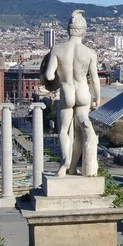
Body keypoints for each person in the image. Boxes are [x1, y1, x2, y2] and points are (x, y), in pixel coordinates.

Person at [42, 10, 100, 177]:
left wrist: (56, 78)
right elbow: (95, 80)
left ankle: (64, 164)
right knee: (80, 130)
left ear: (68, 29)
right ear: (84, 30)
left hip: (67, 93)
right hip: (83, 93)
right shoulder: (90, 53)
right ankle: (74, 167)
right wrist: (97, 99)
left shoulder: (57, 49)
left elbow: (49, 75)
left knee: (64, 131)